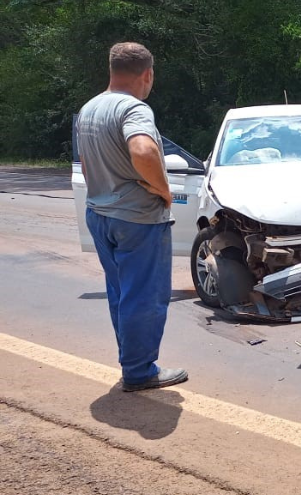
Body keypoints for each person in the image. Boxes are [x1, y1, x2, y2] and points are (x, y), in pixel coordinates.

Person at [77, 42, 187, 392]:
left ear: (111, 70)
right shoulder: (133, 109)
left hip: (100, 214)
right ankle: (140, 372)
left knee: (122, 292)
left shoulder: (90, 108)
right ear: (147, 74)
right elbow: (142, 149)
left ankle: (132, 361)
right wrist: (164, 191)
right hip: (137, 220)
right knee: (145, 296)